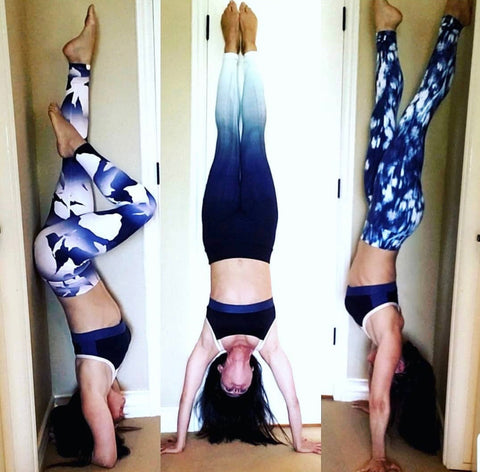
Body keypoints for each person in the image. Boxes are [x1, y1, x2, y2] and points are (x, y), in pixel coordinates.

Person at [161, 1, 320, 456]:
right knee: (254, 135)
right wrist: (300, 442)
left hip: (217, 232)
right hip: (260, 231)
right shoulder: (269, 343)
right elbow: (292, 398)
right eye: (241, 390)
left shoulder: (209, 341)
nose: (235, 384)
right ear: (251, 378)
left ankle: (230, 47)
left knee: (225, 136)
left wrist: (179, 441)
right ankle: (251, 49)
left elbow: (186, 396)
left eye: (226, 389)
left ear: (219, 375)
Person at [344, 1, 471, 471]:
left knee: (383, 115)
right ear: (398, 365)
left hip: (379, 208)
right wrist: (378, 456)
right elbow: (381, 398)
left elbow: (378, 396)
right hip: (394, 214)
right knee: (417, 115)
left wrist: (374, 401)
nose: (373, 366)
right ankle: (455, 23)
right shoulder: (392, 336)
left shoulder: (377, 333)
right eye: (383, 371)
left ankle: (386, 31)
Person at [34, 5, 156, 468]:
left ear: (95, 419)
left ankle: (76, 145)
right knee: (76, 168)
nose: (122, 415)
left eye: (113, 420)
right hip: (68, 259)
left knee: (142, 206)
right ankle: (78, 63)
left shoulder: (91, 390)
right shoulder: (108, 376)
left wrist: (102, 424)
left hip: (62, 259)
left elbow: (106, 459)